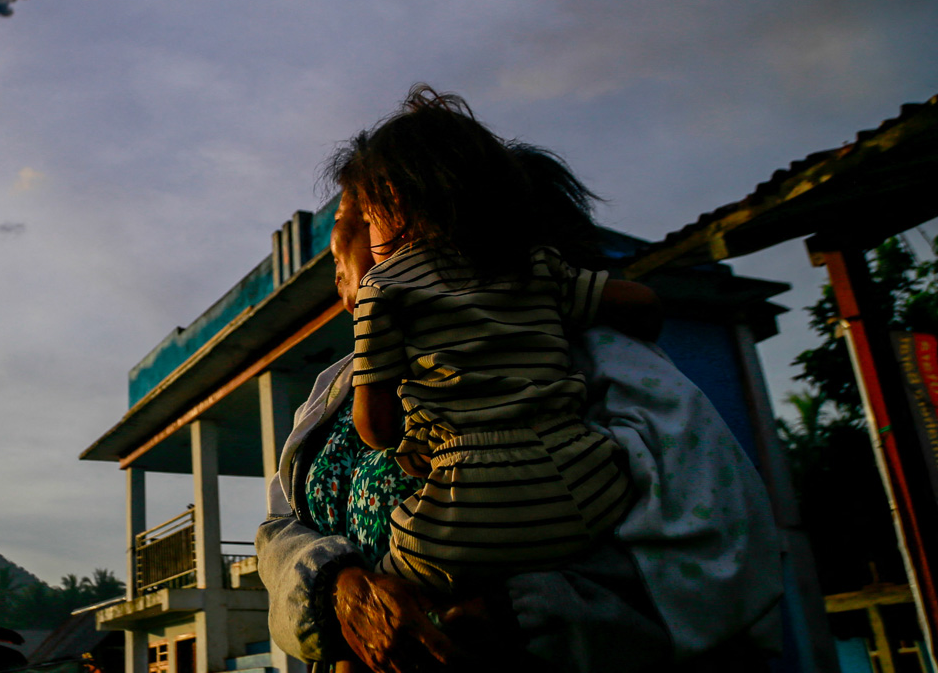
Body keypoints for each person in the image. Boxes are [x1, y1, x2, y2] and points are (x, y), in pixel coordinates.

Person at [257, 150, 783, 673]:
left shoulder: (586, 357)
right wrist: (336, 588)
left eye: (349, 231)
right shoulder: (336, 387)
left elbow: (722, 559)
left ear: (400, 229)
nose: (339, 275)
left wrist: (525, 614)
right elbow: (281, 529)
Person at [329, 86, 660, 592]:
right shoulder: (537, 267)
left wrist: (408, 439)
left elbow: (373, 425)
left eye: (367, 218)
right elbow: (642, 303)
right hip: (586, 489)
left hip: (467, 505)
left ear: (393, 204)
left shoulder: (386, 288)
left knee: (387, 593)